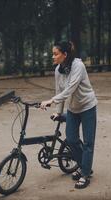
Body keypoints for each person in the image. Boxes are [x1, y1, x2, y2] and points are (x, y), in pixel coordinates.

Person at [40, 41, 97, 189]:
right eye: (53, 54)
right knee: (71, 140)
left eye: (55, 54)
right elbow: (59, 91)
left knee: (88, 143)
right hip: (73, 109)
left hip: (87, 107)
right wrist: (58, 112)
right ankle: (83, 165)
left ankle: (85, 174)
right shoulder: (58, 70)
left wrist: (51, 101)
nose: (53, 56)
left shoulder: (78, 66)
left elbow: (70, 89)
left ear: (65, 55)